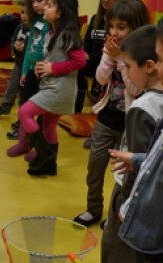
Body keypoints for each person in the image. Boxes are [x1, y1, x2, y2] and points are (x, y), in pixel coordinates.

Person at [73, 0, 150, 228]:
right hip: (107, 117)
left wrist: (120, 59)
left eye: (121, 27)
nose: (114, 32)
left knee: (124, 175)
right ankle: (93, 208)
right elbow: (100, 79)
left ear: (135, 28)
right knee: (94, 166)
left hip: (130, 124)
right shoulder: (112, 48)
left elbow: (135, 88)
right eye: (112, 26)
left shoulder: (143, 55)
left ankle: (118, 213)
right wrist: (110, 56)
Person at [102, 24, 163, 263]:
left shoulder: (142, 107)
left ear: (150, 66)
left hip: (130, 196)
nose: (125, 73)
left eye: (128, 66)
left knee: (116, 250)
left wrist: (127, 204)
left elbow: (142, 175)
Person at [16, 0, 86, 176]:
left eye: (49, 6)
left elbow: (80, 61)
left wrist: (52, 68)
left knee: (24, 112)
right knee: (48, 124)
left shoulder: (67, 34)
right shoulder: (54, 32)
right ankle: (49, 165)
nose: (44, 9)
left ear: (60, 13)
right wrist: (44, 67)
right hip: (54, 86)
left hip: (59, 89)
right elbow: (58, 58)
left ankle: (44, 153)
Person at [6, 0, 50, 157]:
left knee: (43, 111)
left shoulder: (50, 21)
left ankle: (40, 147)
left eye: (41, 1)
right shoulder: (34, 21)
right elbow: (30, 46)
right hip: (31, 70)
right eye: (34, 2)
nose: (37, 6)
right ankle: (24, 141)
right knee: (24, 103)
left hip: (45, 71)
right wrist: (24, 71)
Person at [0, 2, 29, 139]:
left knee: (24, 95)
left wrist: (24, 47)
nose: (24, 16)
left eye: (27, 13)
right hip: (19, 64)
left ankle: (22, 121)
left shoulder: (35, 30)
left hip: (28, 66)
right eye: (23, 12)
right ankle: (5, 106)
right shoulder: (20, 27)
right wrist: (15, 47)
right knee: (11, 87)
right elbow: (14, 40)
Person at [75, 0, 116, 114]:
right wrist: (85, 53)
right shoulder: (95, 18)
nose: (105, 1)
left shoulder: (115, 22)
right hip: (89, 58)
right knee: (77, 65)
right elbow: (87, 40)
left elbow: (108, 46)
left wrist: (91, 56)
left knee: (81, 67)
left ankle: (92, 98)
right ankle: (77, 107)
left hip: (105, 60)